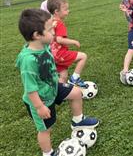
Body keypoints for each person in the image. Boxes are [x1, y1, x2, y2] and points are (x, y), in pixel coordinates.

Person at [16, 8, 99, 156]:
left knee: (76, 93)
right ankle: (48, 153)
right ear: (37, 35)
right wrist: (40, 107)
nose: (53, 32)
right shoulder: (28, 61)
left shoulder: (43, 45)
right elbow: (30, 89)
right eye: (49, 30)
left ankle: (78, 121)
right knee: (45, 130)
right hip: (40, 99)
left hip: (53, 87)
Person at [47, 0, 88, 87]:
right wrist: (73, 41)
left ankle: (60, 92)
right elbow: (59, 39)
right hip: (60, 54)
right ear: (56, 11)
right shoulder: (60, 24)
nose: (68, 11)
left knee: (63, 76)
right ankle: (75, 78)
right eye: (65, 9)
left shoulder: (51, 22)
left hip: (52, 55)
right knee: (83, 57)